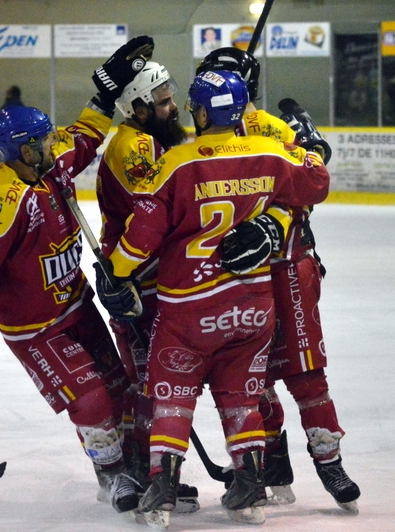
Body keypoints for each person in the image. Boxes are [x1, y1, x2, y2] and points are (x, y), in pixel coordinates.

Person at [96, 70, 330, 530]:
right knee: (242, 391)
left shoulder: (179, 162)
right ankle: (249, 483)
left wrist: (115, 273)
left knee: (172, 391)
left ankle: (162, 483)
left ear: (201, 113)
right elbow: (316, 183)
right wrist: (309, 148)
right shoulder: (269, 153)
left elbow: (142, 236)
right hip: (252, 306)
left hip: (190, 308)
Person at [0, 35, 155, 517]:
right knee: (92, 400)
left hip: (77, 306)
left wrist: (104, 96)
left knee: (118, 388)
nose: (49, 144)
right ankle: (112, 474)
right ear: (19, 149)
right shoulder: (2, 197)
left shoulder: (49, 166)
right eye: (38, 140)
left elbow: (85, 134)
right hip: (36, 329)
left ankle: (134, 463)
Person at [198, 47, 361, 514]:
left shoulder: (272, 130)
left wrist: (308, 157)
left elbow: (309, 188)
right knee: (247, 378)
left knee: (306, 372)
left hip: (287, 267)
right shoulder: (200, 136)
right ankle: (271, 461)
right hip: (233, 275)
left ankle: (329, 460)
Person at [94, 56, 198, 513]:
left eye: (171, 97)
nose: (172, 107)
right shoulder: (131, 146)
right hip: (135, 284)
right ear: (136, 107)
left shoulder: (150, 139)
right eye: (162, 101)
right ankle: (141, 470)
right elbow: (157, 212)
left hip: (156, 280)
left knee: (159, 378)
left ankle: (155, 467)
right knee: (148, 382)